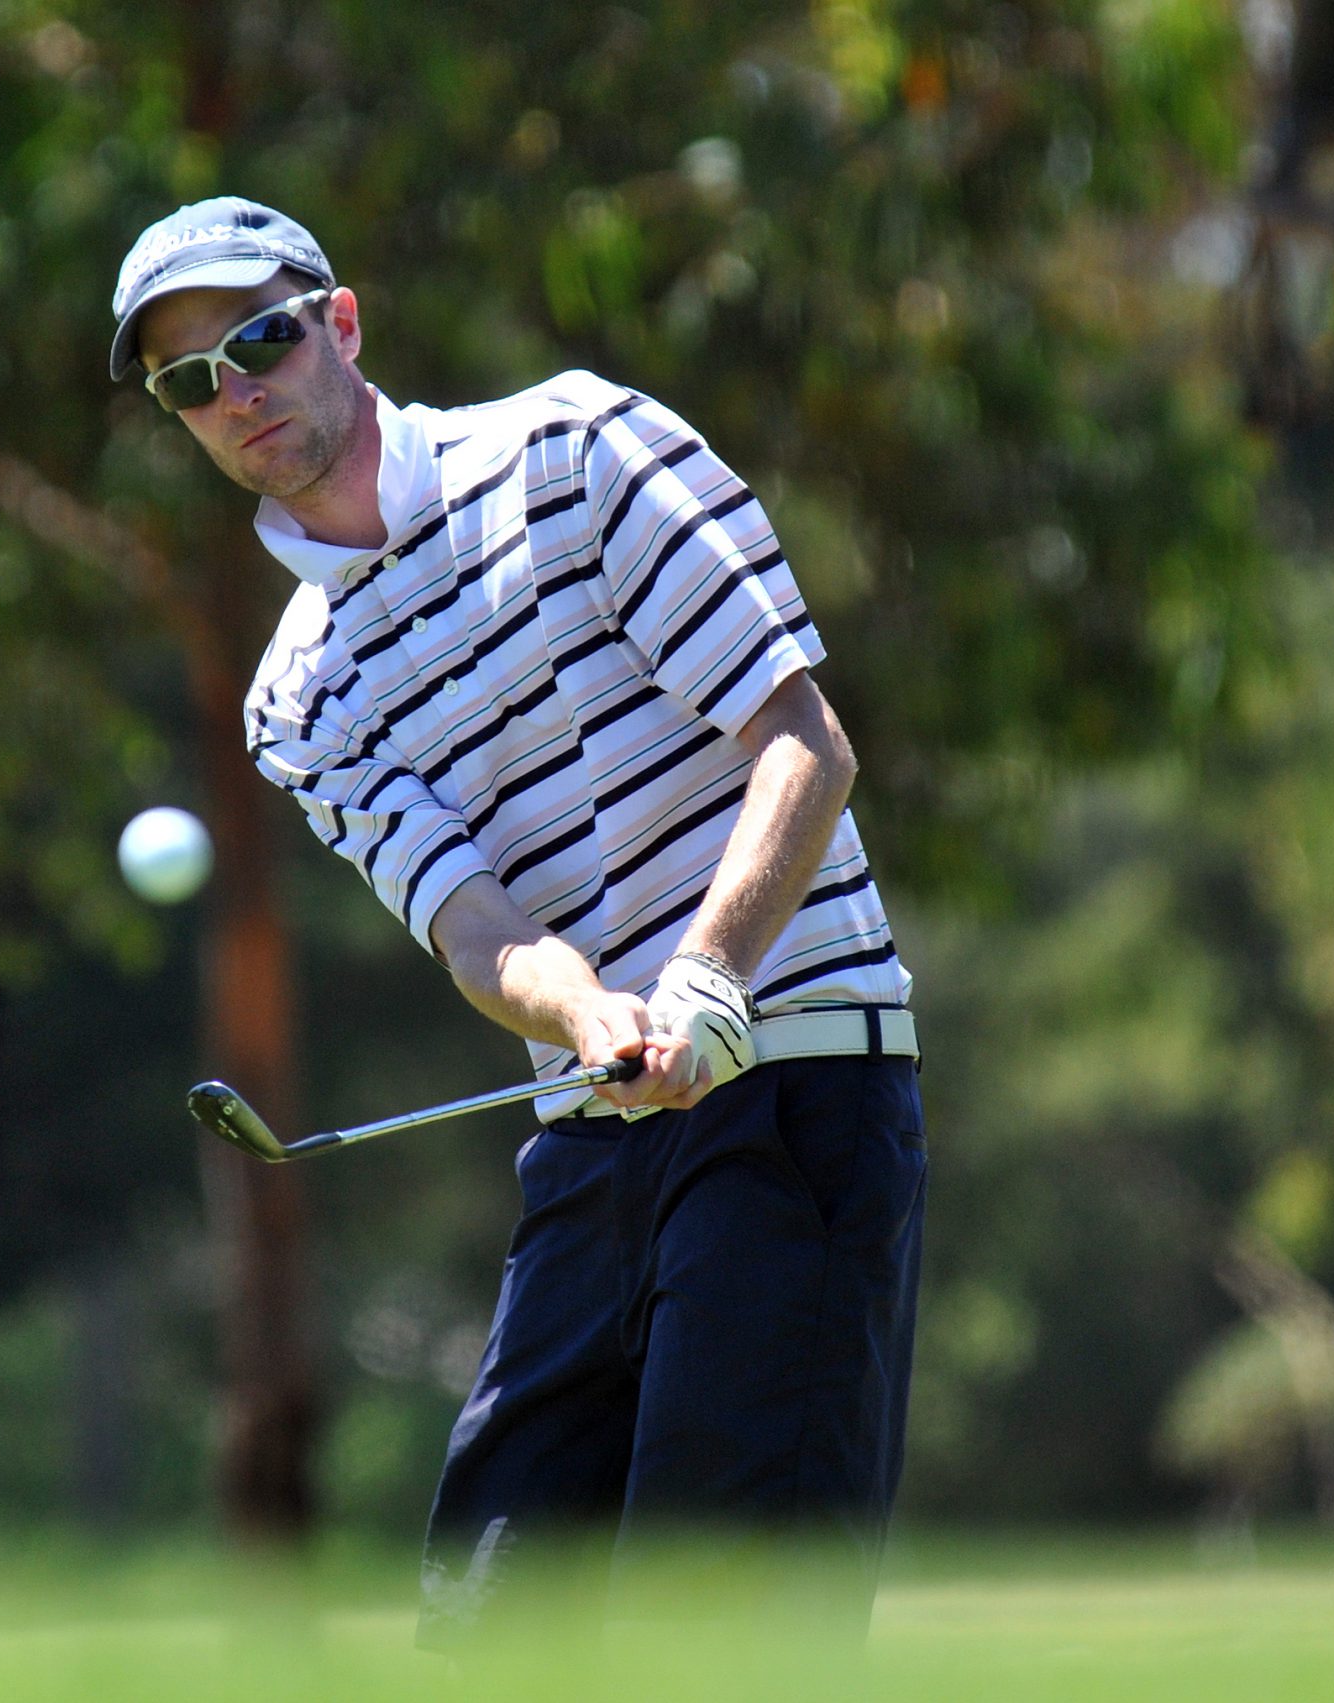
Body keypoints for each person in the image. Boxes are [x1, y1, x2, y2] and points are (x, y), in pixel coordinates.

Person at [108, 197, 927, 1641]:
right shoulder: (295, 699)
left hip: (797, 1086)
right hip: (592, 1132)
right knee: (492, 1624)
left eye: (260, 339)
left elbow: (805, 744)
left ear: (341, 323)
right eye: (190, 380)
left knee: (729, 1632)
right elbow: (475, 924)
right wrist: (590, 1012)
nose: (235, 391)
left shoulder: (578, 450)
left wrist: (707, 980)